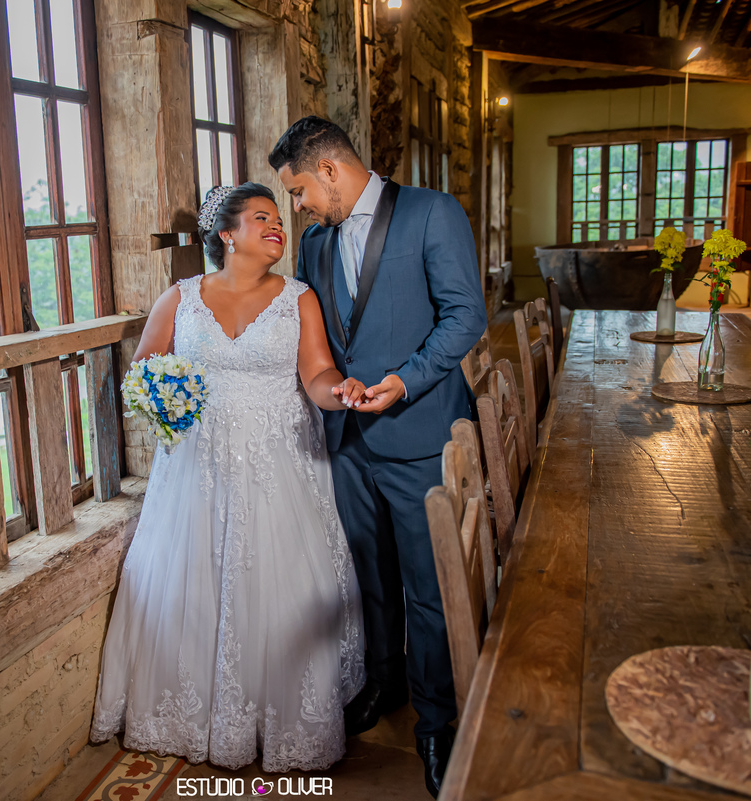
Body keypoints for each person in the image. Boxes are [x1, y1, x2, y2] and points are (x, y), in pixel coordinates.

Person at [90, 183, 367, 772]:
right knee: (193, 579)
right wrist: (165, 403)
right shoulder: (180, 298)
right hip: (197, 466)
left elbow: (317, 374)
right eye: (262, 218)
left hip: (278, 464)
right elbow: (143, 371)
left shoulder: (298, 299)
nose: (277, 227)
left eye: (278, 218)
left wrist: (340, 393)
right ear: (227, 235)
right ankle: (188, 714)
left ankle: (276, 715)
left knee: (276, 582)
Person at [269, 116, 486, 797]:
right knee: (370, 577)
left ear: (330, 170)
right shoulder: (314, 244)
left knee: (428, 587)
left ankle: (437, 722)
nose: (297, 207)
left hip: (420, 434)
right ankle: (384, 682)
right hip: (347, 442)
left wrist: (404, 380)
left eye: (299, 191)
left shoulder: (432, 212)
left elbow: (465, 315)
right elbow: (318, 340)